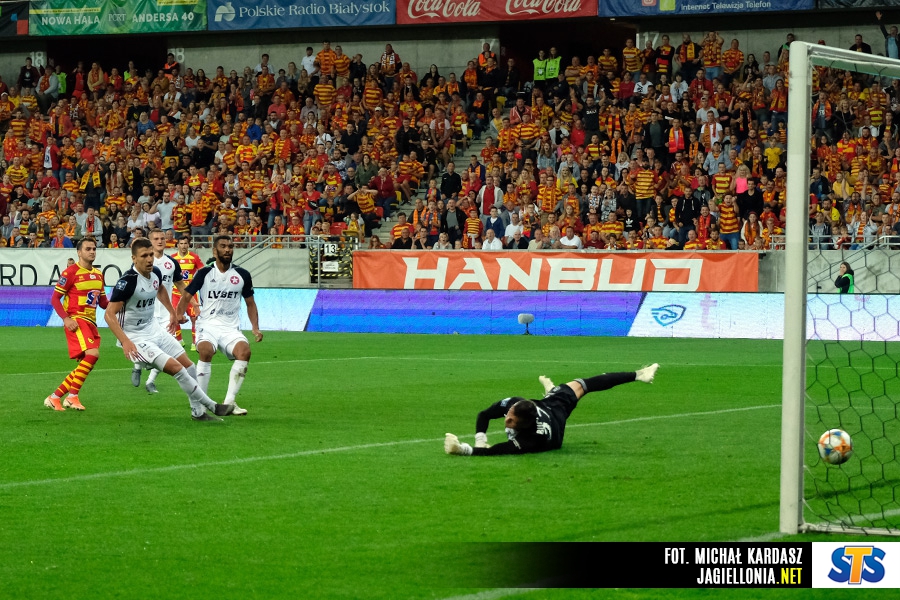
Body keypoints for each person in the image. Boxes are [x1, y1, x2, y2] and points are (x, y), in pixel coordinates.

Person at [445, 364, 659, 456]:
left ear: (524, 425)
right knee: (575, 386)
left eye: (511, 420)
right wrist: (480, 440)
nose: (506, 419)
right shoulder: (516, 404)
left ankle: (640, 375)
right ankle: (550, 392)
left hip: (556, 414)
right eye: (508, 415)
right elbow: (484, 414)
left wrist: (462, 449)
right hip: (544, 406)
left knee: (584, 385)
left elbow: (497, 451)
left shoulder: (532, 440)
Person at [176, 235, 263, 416]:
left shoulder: (242, 275)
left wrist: (255, 327)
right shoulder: (204, 273)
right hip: (207, 325)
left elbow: (250, 303)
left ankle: (230, 402)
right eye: (223, 246)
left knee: (244, 352)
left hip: (230, 327)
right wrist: (179, 315)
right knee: (206, 351)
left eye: (230, 246)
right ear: (215, 251)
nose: (227, 249)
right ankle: (201, 403)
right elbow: (187, 295)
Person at [44, 237, 109, 411]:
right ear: (79, 252)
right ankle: (72, 397)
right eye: (88, 249)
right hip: (77, 320)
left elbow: (103, 303)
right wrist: (66, 319)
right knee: (93, 354)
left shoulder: (98, 274)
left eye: (94, 249)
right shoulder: (70, 273)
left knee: (86, 363)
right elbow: (55, 298)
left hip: (91, 322)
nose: (92, 252)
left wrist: (120, 303)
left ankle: (54, 397)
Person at [130, 229, 193, 394]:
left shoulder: (171, 263)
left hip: (165, 314)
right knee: (143, 343)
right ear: (150, 241)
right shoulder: (142, 262)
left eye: (162, 238)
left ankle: (150, 382)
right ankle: (137, 366)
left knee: (165, 350)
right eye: (156, 238)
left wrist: (193, 302)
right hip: (146, 313)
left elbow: (180, 284)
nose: (160, 241)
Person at [172, 235, 205, 350]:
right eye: (181, 243)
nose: (183, 246)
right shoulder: (172, 258)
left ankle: (194, 342)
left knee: (194, 318)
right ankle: (179, 340)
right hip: (176, 293)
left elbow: (202, 272)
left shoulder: (194, 257)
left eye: (185, 243)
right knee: (175, 317)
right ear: (177, 245)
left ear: (188, 245)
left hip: (191, 293)